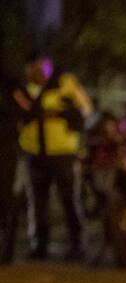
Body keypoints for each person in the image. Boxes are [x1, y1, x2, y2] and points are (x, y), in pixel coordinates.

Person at [13, 53, 92, 261]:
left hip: (62, 152)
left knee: (69, 201)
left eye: (42, 67)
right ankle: (39, 246)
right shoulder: (24, 90)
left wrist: (58, 113)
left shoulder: (65, 85)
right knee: (37, 203)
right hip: (35, 152)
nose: (37, 72)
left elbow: (85, 110)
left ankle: (78, 245)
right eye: (33, 68)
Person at [0, 72, 20, 264]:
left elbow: (28, 110)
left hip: (5, 150)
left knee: (5, 198)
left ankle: (7, 251)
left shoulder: (10, 85)